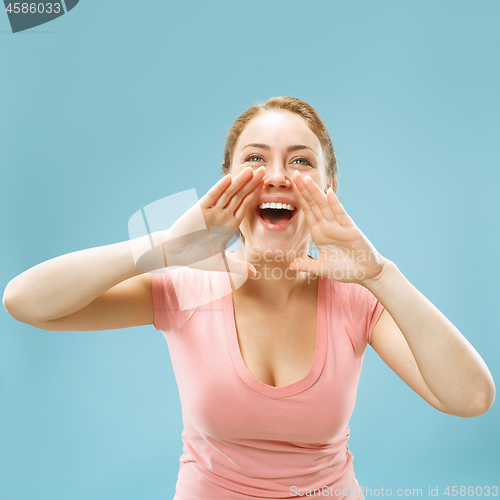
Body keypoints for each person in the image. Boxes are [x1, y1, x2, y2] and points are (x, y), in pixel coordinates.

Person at [3, 97, 495, 499]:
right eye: (255, 159)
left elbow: (471, 398)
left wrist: (381, 274)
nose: (276, 175)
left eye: (301, 161)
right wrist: (164, 248)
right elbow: (24, 301)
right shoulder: (185, 281)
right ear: (226, 183)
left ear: (329, 188)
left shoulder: (356, 297)